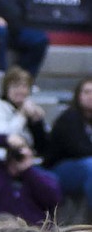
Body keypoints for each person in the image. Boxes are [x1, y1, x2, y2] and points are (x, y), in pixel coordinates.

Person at [0, 131, 62, 232]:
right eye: (17, 149)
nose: (19, 153)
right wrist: (5, 139)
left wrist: (28, 170)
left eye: (24, 148)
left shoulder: (43, 177)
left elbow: (53, 200)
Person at [44, 77, 92, 213]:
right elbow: (78, 149)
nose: (90, 96)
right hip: (58, 170)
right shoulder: (69, 117)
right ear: (78, 96)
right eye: (86, 92)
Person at [0, 64, 50, 156]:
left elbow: (42, 145)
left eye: (24, 87)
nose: (20, 91)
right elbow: (3, 138)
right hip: (1, 159)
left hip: (25, 158)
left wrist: (37, 121)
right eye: (15, 86)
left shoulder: (29, 106)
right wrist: (21, 115)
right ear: (6, 89)